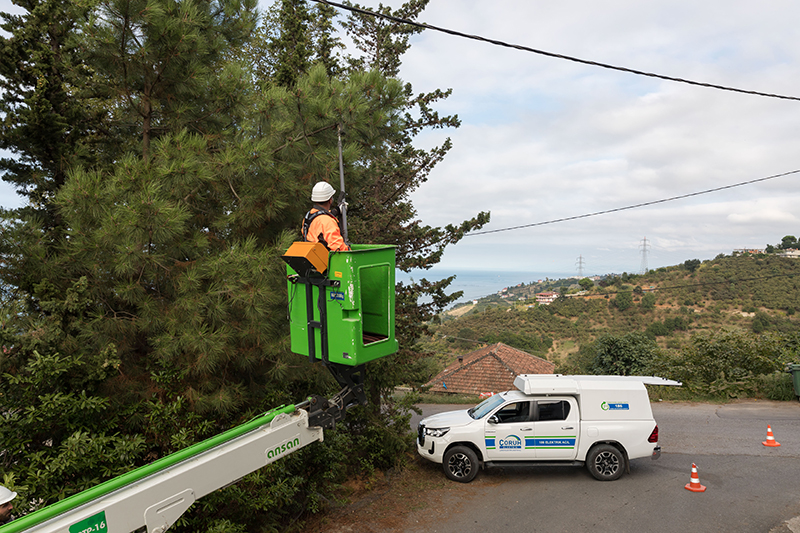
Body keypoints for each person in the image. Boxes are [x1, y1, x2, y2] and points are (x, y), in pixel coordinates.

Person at [301, 182, 350, 252]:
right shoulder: (328, 222)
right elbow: (338, 247)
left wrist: (337, 210)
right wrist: (349, 251)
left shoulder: (308, 216)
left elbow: (320, 218)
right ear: (330, 200)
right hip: (325, 260)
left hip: (313, 256)